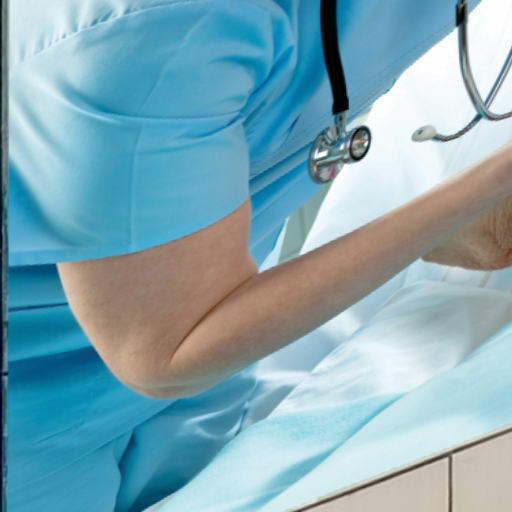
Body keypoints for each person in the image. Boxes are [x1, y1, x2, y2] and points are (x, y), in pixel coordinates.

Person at [8, 0, 511, 510]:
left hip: (209, 380)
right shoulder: (150, 34)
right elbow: (166, 352)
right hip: (42, 405)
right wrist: (482, 188)